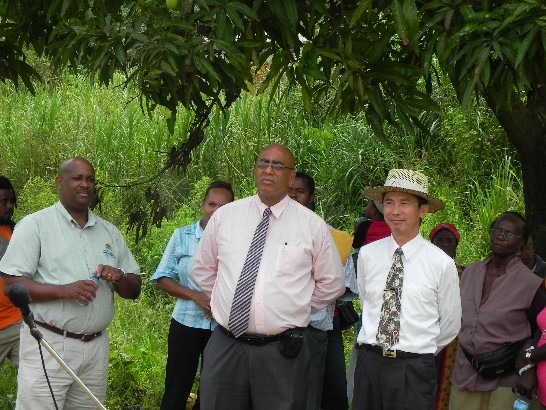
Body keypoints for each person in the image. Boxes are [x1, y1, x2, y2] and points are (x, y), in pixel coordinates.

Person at [190, 144, 345, 410]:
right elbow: (201, 269)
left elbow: (332, 282)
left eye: (278, 165)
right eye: (263, 163)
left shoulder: (311, 225)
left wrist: (296, 307)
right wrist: (226, 298)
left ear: (292, 176)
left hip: (281, 353)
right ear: (255, 170)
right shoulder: (226, 216)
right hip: (226, 345)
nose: (269, 170)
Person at [0, 157, 142, 409]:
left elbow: (134, 288)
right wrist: (64, 291)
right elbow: (12, 285)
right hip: (49, 343)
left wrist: (119, 276)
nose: (85, 184)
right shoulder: (35, 226)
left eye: (90, 179)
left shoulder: (109, 232)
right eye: (77, 178)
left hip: (95, 349)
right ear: (59, 182)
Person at [353, 168, 461, 410]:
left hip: (413, 369)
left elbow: (451, 324)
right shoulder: (368, 255)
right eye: (389, 203)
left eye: (405, 203)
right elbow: (366, 300)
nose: (395, 211)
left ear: (423, 210)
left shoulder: (441, 263)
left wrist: (416, 352)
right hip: (369, 363)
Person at [450, 211, 546, 410]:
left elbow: (541, 326)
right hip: (466, 372)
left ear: (521, 243)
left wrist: (529, 363)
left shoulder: (530, 283)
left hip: (507, 378)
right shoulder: (470, 272)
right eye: (497, 230)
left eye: (509, 234)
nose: (501, 236)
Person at [151, 180, 234, 410]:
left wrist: (217, 300)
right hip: (185, 323)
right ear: (202, 204)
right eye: (211, 204)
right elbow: (162, 277)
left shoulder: (238, 242)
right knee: (176, 388)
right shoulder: (182, 236)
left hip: (222, 328)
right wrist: (196, 296)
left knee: (213, 391)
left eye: (223, 206)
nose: (216, 211)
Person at [289, 171, 357, 410]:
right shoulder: (268, 233)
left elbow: (343, 288)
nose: (294, 195)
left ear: (312, 197)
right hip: (277, 329)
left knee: (329, 392)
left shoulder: (335, 237)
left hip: (320, 328)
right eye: (290, 190)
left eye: (300, 191)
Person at [429, 223, 463, 410]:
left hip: (452, 343)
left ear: (456, 247)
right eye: (439, 240)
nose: (444, 244)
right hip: (422, 338)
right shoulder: (418, 272)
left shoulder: (464, 274)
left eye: (449, 241)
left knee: (445, 383)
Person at [0, 176, 22, 369]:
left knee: (38, 378)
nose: (9, 206)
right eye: (3, 202)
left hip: (17, 323)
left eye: (11, 201)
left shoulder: (15, 231)